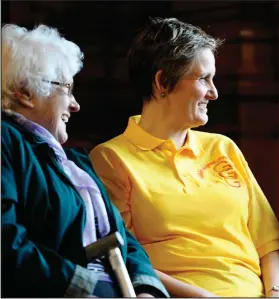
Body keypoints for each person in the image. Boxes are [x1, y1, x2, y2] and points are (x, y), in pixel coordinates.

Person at [89, 17, 279, 298]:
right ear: (162, 82)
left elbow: (268, 244)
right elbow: (124, 259)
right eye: (204, 79)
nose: (214, 93)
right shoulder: (111, 158)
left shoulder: (223, 148)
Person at [1, 24, 169, 298]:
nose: (75, 104)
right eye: (67, 88)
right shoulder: (6, 141)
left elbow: (124, 238)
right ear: (24, 92)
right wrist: (86, 286)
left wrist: (146, 287)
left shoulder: (75, 161)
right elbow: (5, 241)